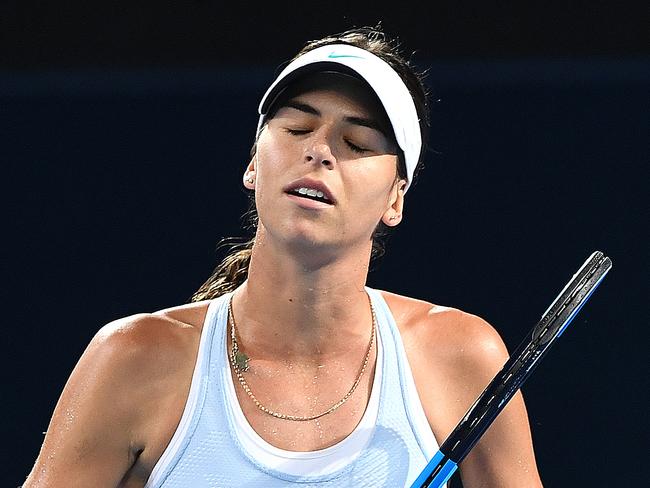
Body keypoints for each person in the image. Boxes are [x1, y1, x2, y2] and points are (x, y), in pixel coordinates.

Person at [24, 26, 543, 487]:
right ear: (254, 162)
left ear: (395, 198)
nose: (320, 151)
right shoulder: (132, 360)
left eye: (357, 143)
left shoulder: (461, 357)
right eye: (297, 129)